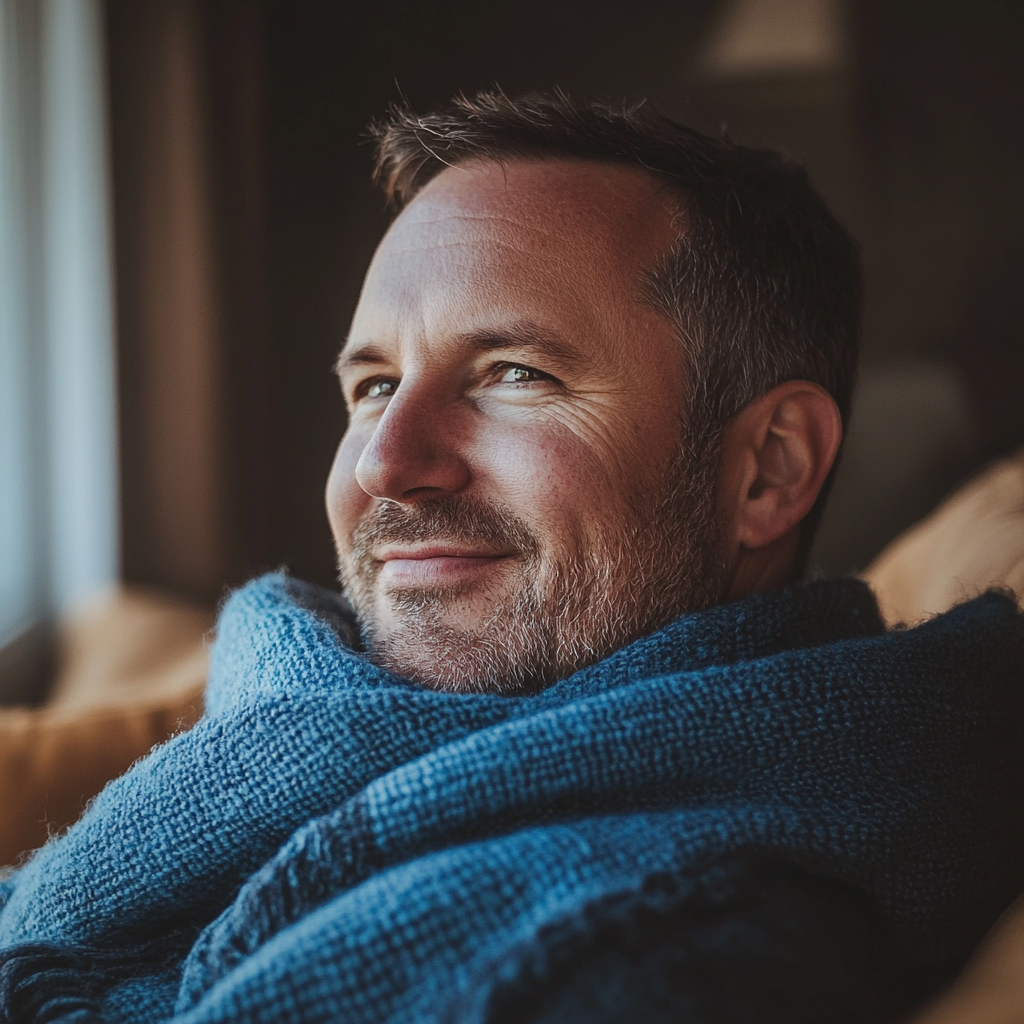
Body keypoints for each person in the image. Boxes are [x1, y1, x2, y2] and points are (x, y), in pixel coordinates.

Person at [0, 92, 1021, 1024]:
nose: (387, 465)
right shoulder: (264, 739)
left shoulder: (662, 956)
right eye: (371, 386)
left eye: (515, 373)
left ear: (767, 469)